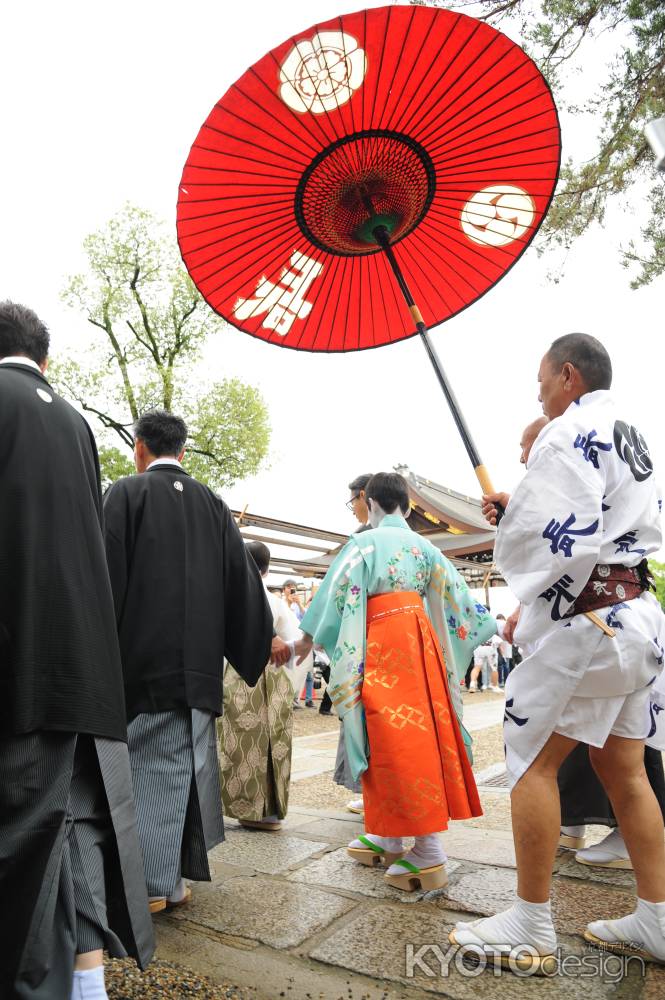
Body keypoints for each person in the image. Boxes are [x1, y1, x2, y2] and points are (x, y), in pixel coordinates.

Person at [450, 333, 665, 969]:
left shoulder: (565, 429)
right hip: (637, 614)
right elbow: (593, 519)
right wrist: (521, 509)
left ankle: (531, 922)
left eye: (542, 380)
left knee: (531, 763)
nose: (539, 392)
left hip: (591, 621)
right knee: (624, 769)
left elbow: (552, 543)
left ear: (568, 375)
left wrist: (514, 523)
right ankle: (657, 917)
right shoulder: (632, 433)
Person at [0, 302, 154, 1000]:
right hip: (84, 667)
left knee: (19, 843)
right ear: (46, 358)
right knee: (72, 828)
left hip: (18, 661)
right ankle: (88, 986)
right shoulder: (75, 422)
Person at [103, 409, 274, 912]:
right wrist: (252, 645)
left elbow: (104, 575)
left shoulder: (124, 493)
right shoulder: (213, 504)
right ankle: (172, 879)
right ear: (182, 451)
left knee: (149, 770)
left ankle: (151, 885)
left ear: (139, 448)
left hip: (140, 663)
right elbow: (242, 583)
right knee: (185, 770)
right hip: (199, 669)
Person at [295, 472, 496, 891]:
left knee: (394, 738)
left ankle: (428, 848)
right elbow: (461, 602)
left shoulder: (364, 545)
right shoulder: (427, 548)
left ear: (369, 502)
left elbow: (334, 595)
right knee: (408, 736)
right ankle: (387, 833)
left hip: (381, 642)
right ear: (407, 505)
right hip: (420, 644)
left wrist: (305, 640)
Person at [219, 541, 296, 831]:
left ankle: (247, 808)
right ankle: (272, 813)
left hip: (239, 674)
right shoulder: (276, 602)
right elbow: (292, 642)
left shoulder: (229, 594)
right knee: (275, 740)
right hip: (274, 674)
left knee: (241, 742)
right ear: (266, 570)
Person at [494, 615, 513, 686]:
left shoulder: (496, 625)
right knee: (506, 665)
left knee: (500, 665)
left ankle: (501, 682)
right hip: (506, 646)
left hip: (500, 647)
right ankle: (506, 682)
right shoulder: (507, 624)